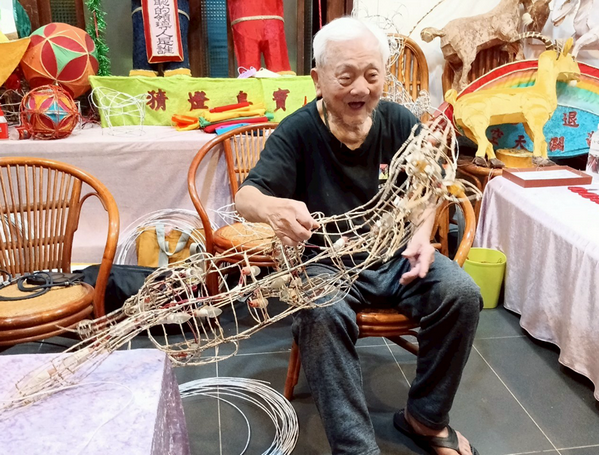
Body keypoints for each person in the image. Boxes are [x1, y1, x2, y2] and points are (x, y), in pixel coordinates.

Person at [235, 16, 482, 455]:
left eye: (372, 75)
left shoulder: (398, 121)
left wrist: (422, 234)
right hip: (327, 265)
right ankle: (356, 449)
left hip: (396, 257)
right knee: (320, 313)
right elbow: (246, 196)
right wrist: (273, 208)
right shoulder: (298, 131)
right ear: (318, 79)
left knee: (461, 294)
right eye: (345, 76)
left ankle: (425, 419)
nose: (361, 89)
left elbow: (427, 182)